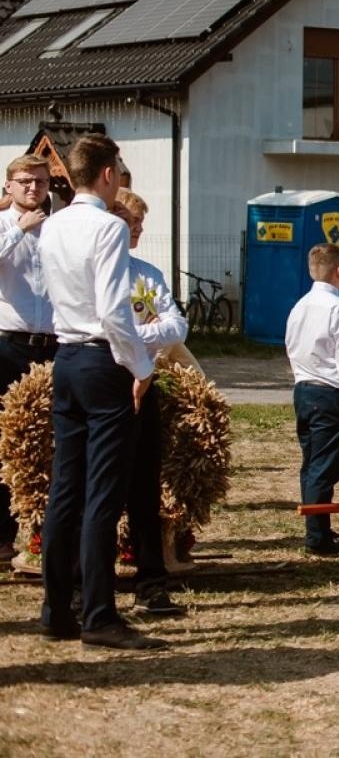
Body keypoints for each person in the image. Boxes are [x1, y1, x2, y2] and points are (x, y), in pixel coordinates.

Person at [37, 133, 163, 650]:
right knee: (103, 494)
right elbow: (115, 310)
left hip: (66, 356)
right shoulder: (109, 227)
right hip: (102, 359)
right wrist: (139, 366)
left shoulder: (52, 225)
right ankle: (100, 614)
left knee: (65, 488)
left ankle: (56, 607)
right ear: (108, 173)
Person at [109, 191, 188, 616]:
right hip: (106, 380)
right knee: (102, 488)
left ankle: (151, 582)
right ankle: (90, 582)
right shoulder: (96, 270)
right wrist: (140, 332)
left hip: (146, 381)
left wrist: (139, 337)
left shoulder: (144, 275)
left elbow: (177, 326)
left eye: (141, 222)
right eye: (132, 221)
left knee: (145, 485)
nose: (138, 229)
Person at [285, 243, 339, 556]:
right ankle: (317, 538)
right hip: (330, 393)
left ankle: (318, 527)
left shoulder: (300, 306)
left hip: (304, 389)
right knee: (324, 468)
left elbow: (292, 347)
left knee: (311, 464)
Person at [0, 153, 56, 565]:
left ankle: (45, 536)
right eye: (24, 181)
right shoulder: (5, 224)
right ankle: (3, 536)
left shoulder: (60, 227)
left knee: (50, 442)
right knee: (6, 441)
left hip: (53, 343)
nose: (33, 188)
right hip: (8, 343)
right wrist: (19, 231)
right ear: (9, 186)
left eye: (39, 181)